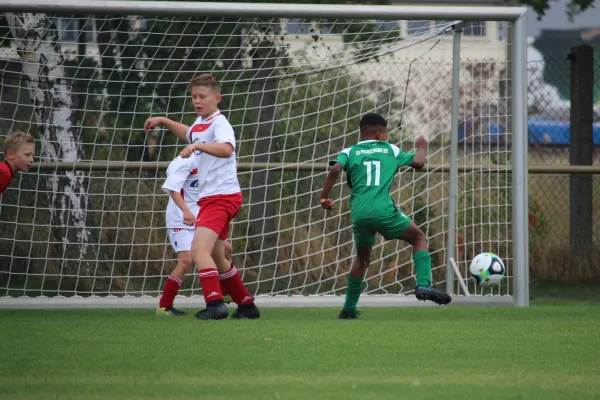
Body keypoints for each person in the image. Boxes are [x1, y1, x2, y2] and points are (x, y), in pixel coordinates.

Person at [145, 73, 259, 320]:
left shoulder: (220, 123)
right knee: (218, 256)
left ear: (217, 98)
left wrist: (198, 147)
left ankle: (215, 304)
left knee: (198, 252)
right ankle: (247, 306)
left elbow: (227, 149)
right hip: (213, 198)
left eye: (202, 97)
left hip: (221, 197)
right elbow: (189, 133)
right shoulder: (200, 124)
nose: (197, 101)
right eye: (194, 97)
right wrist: (164, 121)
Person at [319, 113, 451, 319]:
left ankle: (348, 309)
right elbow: (418, 163)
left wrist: (324, 196)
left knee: (362, 259)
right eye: (386, 133)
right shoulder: (390, 149)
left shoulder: (350, 151)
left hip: (360, 213)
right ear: (380, 133)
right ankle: (424, 285)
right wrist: (422, 146)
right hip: (383, 210)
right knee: (418, 238)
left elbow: (336, 168)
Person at [156, 153, 233, 316]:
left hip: (202, 217)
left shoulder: (211, 160)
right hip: (181, 219)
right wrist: (186, 211)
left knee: (225, 249)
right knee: (186, 261)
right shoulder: (185, 161)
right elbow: (173, 189)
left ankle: (223, 291)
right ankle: (164, 306)